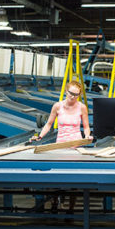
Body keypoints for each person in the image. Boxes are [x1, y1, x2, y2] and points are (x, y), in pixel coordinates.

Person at [30, 80, 92, 213]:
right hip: (60, 145)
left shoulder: (82, 107)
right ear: (66, 91)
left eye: (76, 95)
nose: (73, 97)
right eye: (71, 93)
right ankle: (54, 204)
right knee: (57, 177)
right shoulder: (57, 106)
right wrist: (40, 136)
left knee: (74, 182)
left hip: (75, 145)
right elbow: (49, 124)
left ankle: (71, 208)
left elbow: (86, 127)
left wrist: (87, 136)